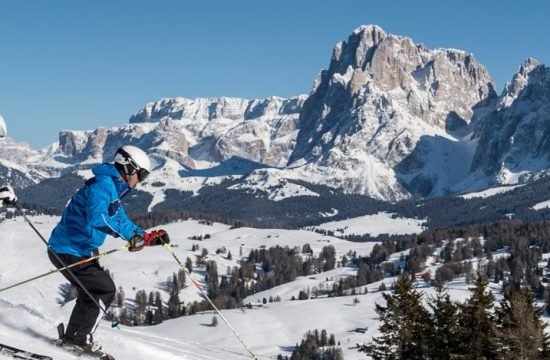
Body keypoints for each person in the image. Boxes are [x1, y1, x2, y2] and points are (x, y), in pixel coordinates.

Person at [48, 145, 170, 357]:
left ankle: (72, 339)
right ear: (129, 167)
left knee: (92, 294)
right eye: (141, 174)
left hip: (76, 250)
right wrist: (130, 238)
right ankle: (80, 340)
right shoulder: (102, 186)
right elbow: (99, 217)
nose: (140, 181)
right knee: (105, 290)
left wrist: (147, 238)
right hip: (68, 249)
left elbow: (120, 220)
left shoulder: (113, 188)